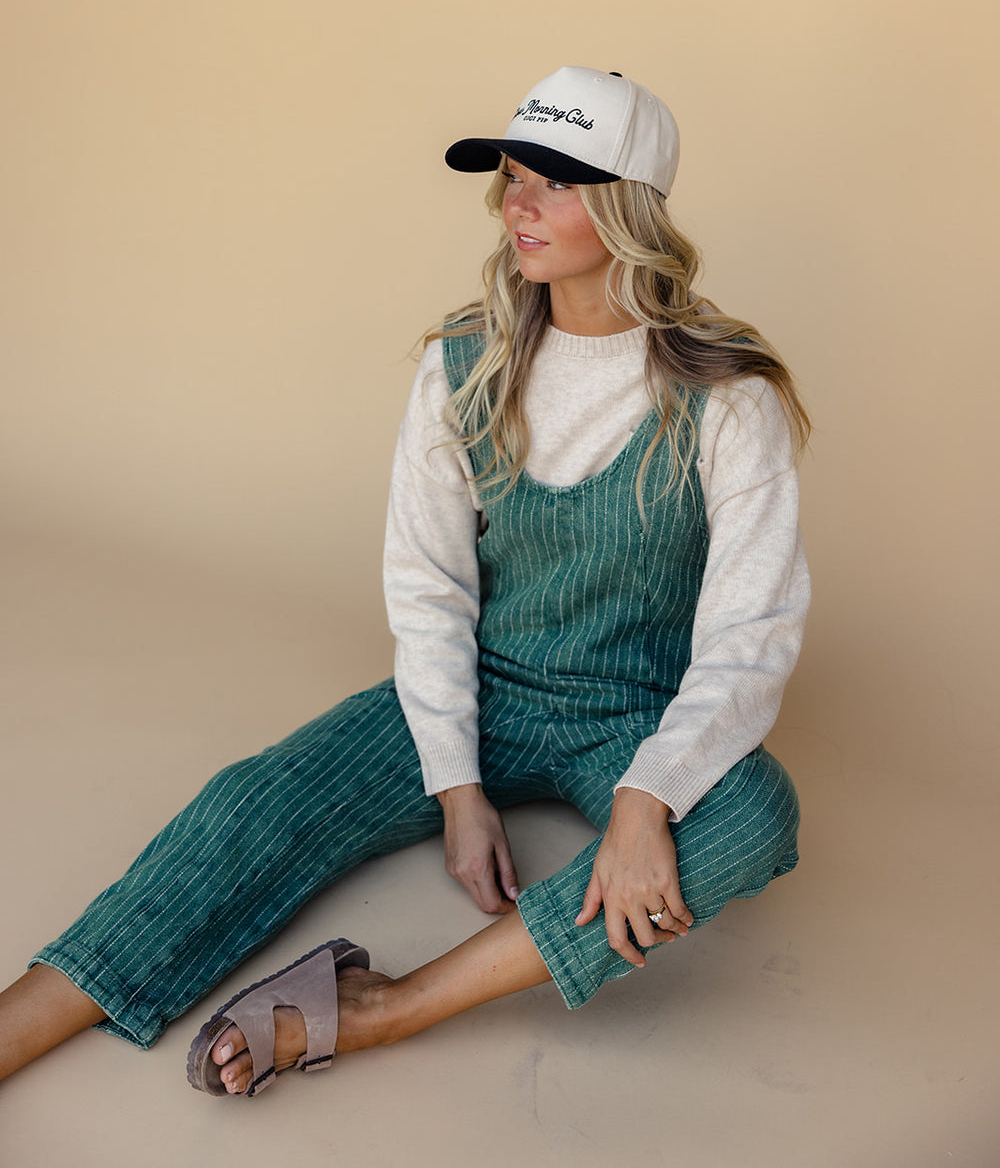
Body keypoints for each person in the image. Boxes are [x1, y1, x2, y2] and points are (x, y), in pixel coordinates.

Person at [0, 66, 809, 1098]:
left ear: (629, 206)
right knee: (257, 801)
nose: (518, 205)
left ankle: (383, 1007)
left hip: (640, 715)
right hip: (482, 684)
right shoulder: (465, 364)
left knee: (752, 815)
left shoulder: (727, 397)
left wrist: (649, 798)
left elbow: (752, 626)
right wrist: (458, 790)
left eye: (555, 183)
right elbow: (430, 587)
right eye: (512, 179)